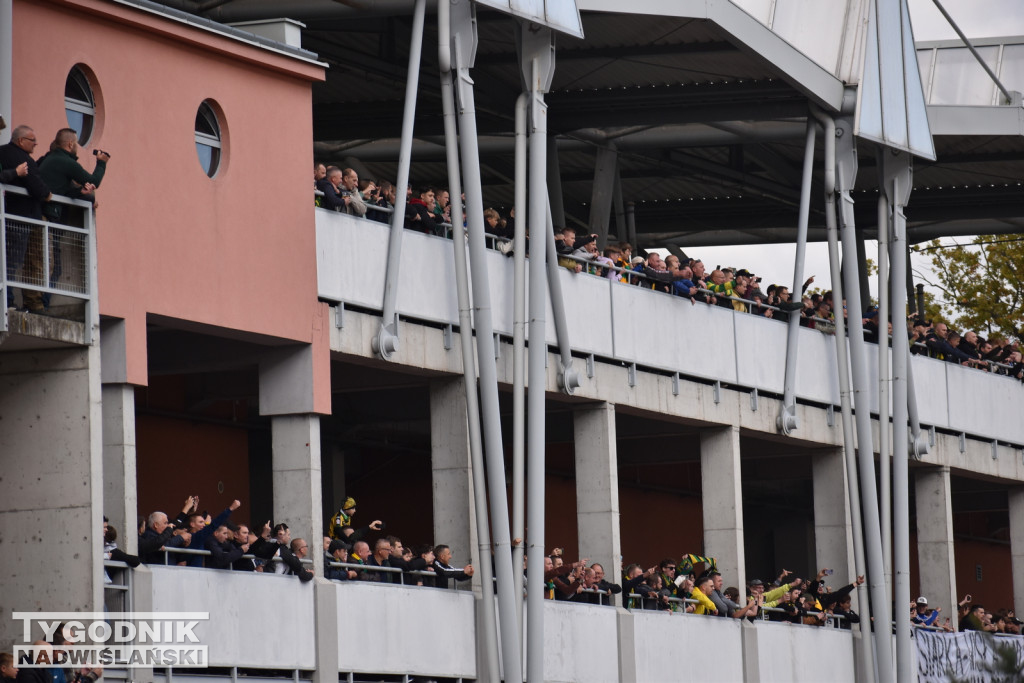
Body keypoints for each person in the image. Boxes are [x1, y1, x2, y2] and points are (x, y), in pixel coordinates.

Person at [0, 125, 52, 311]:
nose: (36, 144)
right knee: (12, 261)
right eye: (32, 140)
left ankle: (7, 299)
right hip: (21, 218)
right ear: (21, 141)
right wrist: (48, 195)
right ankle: (7, 301)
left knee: (5, 259)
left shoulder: (2, 153)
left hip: (6, 214)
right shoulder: (24, 160)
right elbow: (39, 189)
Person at [38, 128, 107, 223]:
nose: (77, 146)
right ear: (70, 144)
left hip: (40, 210)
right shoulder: (66, 162)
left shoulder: (48, 158)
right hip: (50, 213)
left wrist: (81, 193)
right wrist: (101, 163)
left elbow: (62, 189)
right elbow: (94, 182)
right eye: (76, 143)